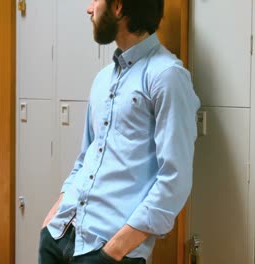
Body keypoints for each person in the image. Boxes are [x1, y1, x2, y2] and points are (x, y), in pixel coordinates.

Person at [38, 0, 200, 263]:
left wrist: (115, 250)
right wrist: (53, 217)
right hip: (59, 237)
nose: (89, 9)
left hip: (107, 252)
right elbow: (86, 157)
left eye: (96, 1)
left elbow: (175, 179)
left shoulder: (167, 76)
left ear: (118, 7)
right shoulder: (103, 79)